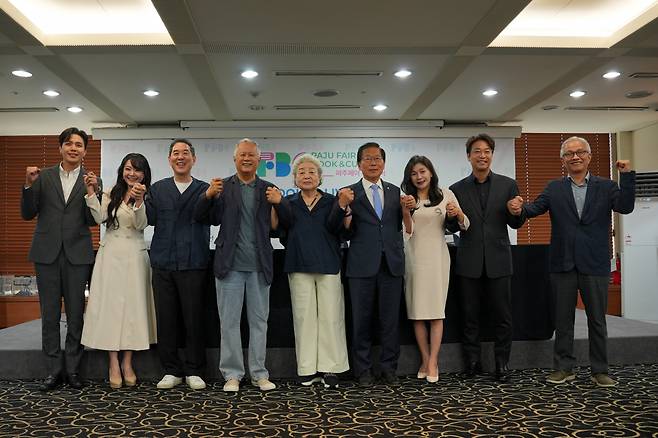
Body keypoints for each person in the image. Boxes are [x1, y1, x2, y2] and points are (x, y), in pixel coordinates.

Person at [509, 136, 635, 387]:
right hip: (562, 263)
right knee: (562, 320)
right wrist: (517, 209)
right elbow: (533, 210)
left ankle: (600, 370)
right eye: (569, 153)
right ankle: (563, 368)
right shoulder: (554, 188)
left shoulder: (607, 186)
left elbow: (626, 206)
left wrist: (627, 175)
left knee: (597, 320)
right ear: (563, 160)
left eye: (580, 152)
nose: (575, 157)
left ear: (589, 156)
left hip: (595, 263)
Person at [194, 138, 291, 393]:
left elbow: (283, 225)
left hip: (260, 266)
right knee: (229, 322)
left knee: (260, 322)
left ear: (259, 160)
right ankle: (232, 375)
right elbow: (204, 217)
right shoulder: (222, 187)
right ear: (235, 159)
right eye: (242, 155)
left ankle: (259, 373)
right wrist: (208, 196)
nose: (247, 159)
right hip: (229, 266)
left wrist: (280, 203)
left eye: (251, 155)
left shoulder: (269, 189)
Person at [21, 127, 101, 391]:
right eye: (69, 144)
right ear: (60, 148)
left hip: (78, 255)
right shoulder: (42, 177)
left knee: (76, 315)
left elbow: (93, 220)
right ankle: (53, 371)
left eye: (79, 144)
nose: (74, 148)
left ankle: (73, 370)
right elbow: (27, 213)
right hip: (47, 254)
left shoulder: (92, 180)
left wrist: (92, 192)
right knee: (50, 315)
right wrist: (29, 186)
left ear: (85, 151)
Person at [449, 133, 526, 382]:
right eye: (477, 151)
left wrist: (517, 211)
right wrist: (452, 216)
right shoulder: (456, 189)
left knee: (502, 316)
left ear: (492, 155)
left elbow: (516, 223)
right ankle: (472, 362)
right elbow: (451, 227)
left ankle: (501, 364)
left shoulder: (508, 185)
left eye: (487, 151)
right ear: (469, 156)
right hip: (468, 260)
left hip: (499, 260)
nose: (482, 156)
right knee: (469, 316)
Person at [340, 142, 414, 386]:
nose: (373, 163)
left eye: (377, 159)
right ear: (359, 164)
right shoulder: (348, 192)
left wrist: (407, 211)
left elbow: (400, 227)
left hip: (391, 265)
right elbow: (342, 231)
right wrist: (344, 209)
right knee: (360, 321)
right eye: (367, 159)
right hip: (361, 266)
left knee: (390, 321)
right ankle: (362, 371)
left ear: (384, 163)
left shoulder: (396, 192)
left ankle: (389, 369)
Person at [81, 153, 156, 388]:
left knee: (133, 309)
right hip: (110, 255)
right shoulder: (111, 191)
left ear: (144, 174)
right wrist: (92, 192)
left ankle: (127, 362)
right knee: (111, 309)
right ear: (122, 171)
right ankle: (113, 362)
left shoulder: (148, 194)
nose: (131, 174)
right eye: (127, 169)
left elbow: (141, 224)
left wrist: (139, 201)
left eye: (137, 170)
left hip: (135, 255)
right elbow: (100, 217)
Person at [277, 154, 350, 388]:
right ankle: (307, 369)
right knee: (303, 318)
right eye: (301, 172)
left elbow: (338, 228)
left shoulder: (333, 201)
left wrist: (343, 206)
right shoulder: (287, 203)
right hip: (298, 264)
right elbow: (280, 232)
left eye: (311, 172)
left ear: (320, 177)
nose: (307, 175)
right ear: (295, 179)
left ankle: (330, 369)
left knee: (331, 318)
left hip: (328, 264)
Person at [146, 139, 210, 390]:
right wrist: (138, 199)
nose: (180, 157)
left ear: (194, 159)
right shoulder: (158, 189)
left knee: (194, 318)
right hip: (163, 263)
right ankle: (171, 370)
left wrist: (211, 198)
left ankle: (195, 369)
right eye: (176, 153)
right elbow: (149, 219)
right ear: (169, 159)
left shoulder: (206, 189)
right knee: (167, 318)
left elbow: (214, 218)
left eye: (185, 153)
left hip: (194, 262)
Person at [400, 155, 469, 383]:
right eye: (414, 173)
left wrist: (456, 214)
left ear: (431, 172)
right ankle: (425, 357)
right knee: (417, 313)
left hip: (438, 258)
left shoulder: (445, 194)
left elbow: (464, 223)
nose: (419, 177)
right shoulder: (406, 198)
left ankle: (433, 361)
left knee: (437, 312)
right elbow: (406, 232)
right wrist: (405, 211)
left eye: (422, 171)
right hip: (413, 258)